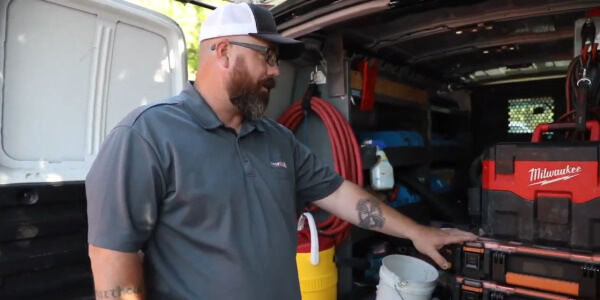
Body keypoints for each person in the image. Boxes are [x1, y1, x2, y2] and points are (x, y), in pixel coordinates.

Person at [86, 3, 477, 300]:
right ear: (222, 52)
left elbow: (340, 193)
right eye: (267, 57)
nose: (275, 71)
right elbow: (112, 255)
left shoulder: (276, 139)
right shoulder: (147, 135)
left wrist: (417, 233)